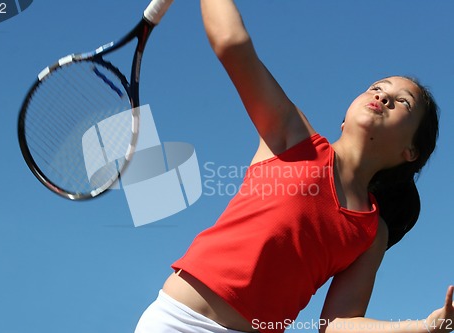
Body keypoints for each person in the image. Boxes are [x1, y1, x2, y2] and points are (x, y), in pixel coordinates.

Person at [135, 1, 452, 333]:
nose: (383, 97)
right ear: (344, 119)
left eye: (403, 102)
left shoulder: (372, 234)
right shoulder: (293, 137)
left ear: (411, 151)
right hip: (177, 320)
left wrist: (425, 326)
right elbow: (232, 42)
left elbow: (338, 325)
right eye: (377, 88)